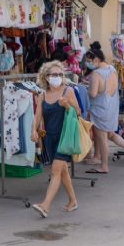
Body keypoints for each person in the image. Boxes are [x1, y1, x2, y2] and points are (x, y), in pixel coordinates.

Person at [30, 61, 81, 218]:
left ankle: (45, 205)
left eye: (60, 74)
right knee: (63, 171)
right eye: (54, 74)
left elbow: (78, 112)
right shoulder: (42, 95)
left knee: (56, 170)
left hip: (64, 137)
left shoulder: (69, 91)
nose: (58, 77)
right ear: (46, 77)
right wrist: (33, 130)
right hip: (49, 139)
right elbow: (38, 116)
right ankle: (73, 201)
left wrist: (67, 106)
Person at [84, 48, 120, 174]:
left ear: (97, 59)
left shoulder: (96, 74)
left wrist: (85, 89)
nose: (88, 63)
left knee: (102, 139)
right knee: (104, 138)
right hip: (111, 107)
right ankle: (103, 163)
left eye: (89, 61)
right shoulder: (112, 69)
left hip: (99, 109)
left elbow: (93, 94)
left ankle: (104, 166)